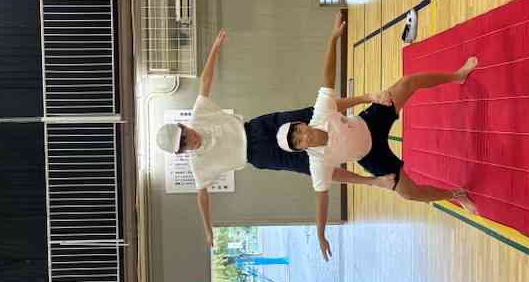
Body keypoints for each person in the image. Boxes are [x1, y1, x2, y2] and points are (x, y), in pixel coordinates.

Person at [276, 12, 477, 261]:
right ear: (299, 149)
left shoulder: (320, 112)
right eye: (297, 142)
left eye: (297, 131)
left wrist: (333, 39)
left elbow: (328, 77)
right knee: (409, 193)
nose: (302, 137)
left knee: (407, 83)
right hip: (371, 156)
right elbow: (322, 199)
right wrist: (320, 234)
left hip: (370, 122)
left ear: (301, 124)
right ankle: (456, 194)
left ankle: (458, 76)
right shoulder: (317, 162)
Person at [156, 29, 380, 246]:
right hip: (259, 155)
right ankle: (370, 181)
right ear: (181, 152)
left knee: (315, 113)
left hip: (258, 128)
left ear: (184, 126)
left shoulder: (199, 115)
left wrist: (214, 48)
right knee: (314, 167)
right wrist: (208, 229)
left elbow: (205, 82)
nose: (189, 141)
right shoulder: (198, 165)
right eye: (184, 145)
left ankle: (366, 101)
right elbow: (202, 196)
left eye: (185, 135)